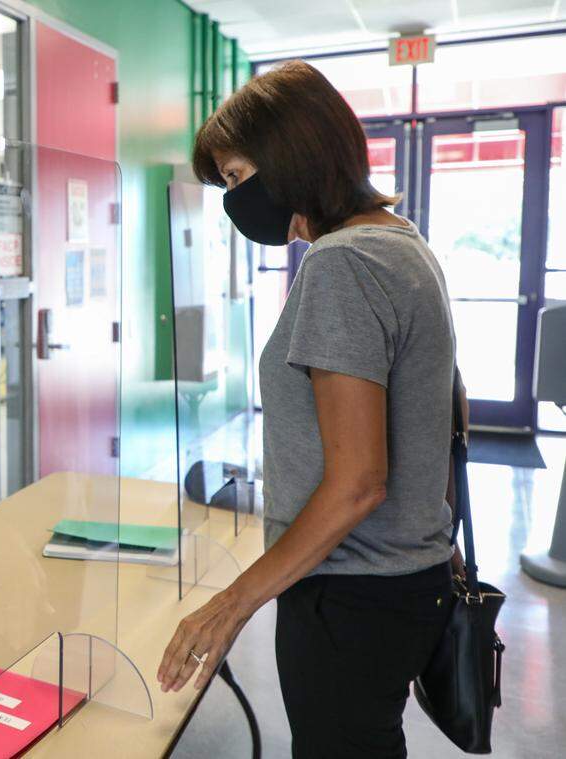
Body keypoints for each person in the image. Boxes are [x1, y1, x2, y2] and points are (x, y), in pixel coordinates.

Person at [157, 61, 464, 758]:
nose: (235, 199)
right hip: (407, 582)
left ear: (287, 157)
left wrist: (228, 605)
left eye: (236, 177)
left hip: (350, 595)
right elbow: (444, 411)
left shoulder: (342, 265)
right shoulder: (402, 242)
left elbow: (359, 482)